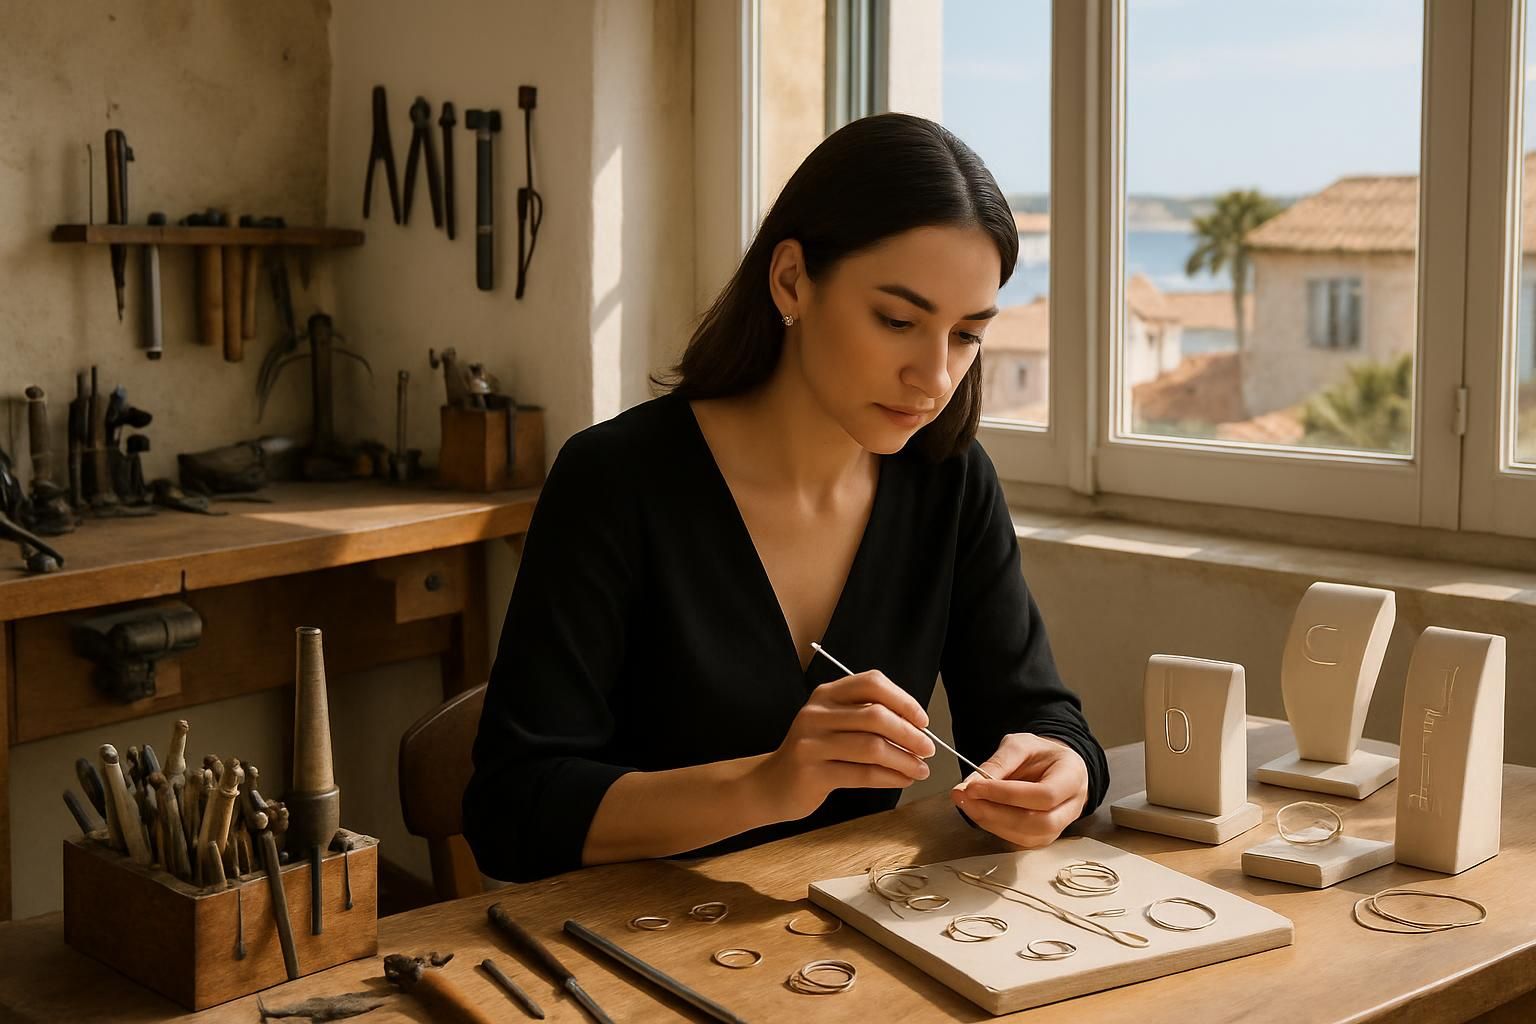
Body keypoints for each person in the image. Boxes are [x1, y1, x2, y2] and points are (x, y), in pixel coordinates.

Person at [463, 112, 1109, 883]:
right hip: (627, 953)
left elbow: (1037, 717)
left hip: (843, 949)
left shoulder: (950, 481)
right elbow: (511, 811)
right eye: (898, 320)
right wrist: (767, 785)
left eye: (967, 335)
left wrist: (1063, 769)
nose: (935, 378)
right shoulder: (615, 480)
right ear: (792, 280)